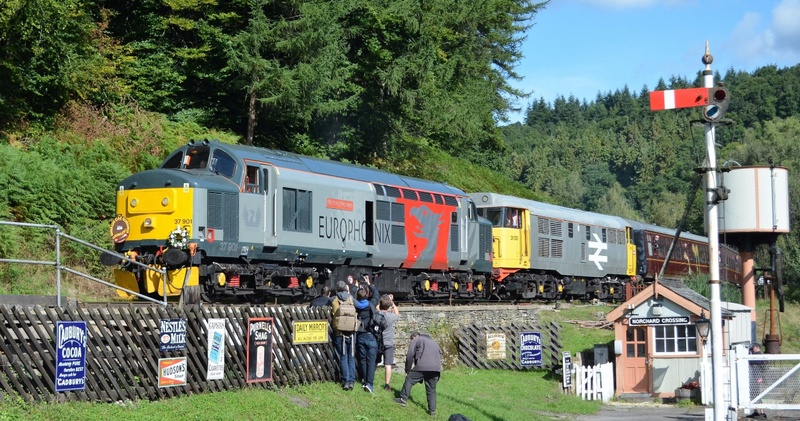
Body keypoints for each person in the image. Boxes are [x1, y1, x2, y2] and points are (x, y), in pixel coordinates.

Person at [394, 332, 442, 417]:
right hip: (436, 369)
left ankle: (403, 399)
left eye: (411, 339)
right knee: (431, 389)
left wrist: (408, 370)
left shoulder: (416, 339)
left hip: (423, 366)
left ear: (414, 336)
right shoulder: (434, 343)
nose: (411, 341)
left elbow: (410, 354)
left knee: (409, 379)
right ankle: (432, 411)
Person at [354, 276, 380, 393]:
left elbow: (351, 295)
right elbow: (376, 295)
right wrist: (370, 284)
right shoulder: (371, 304)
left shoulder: (355, 305)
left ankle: (364, 380)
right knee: (371, 360)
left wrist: (355, 287)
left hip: (360, 334)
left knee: (363, 360)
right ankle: (369, 383)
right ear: (366, 296)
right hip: (370, 334)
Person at [331, 281, 356, 390]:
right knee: (351, 357)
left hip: (340, 333)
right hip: (351, 332)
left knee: (343, 357)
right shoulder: (351, 299)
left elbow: (334, 312)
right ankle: (352, 380)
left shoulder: (334, 300)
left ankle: (346, 381)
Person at [378, 294, 400, 391]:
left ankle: (369, 380)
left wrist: (381, 302)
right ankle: (387, 384)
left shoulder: (378, 314)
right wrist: (392, 302)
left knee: (374, 362)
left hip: (379, 342)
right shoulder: (391, 316)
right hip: (389, 343)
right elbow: (397, 313)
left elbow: (377, 307)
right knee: (388, 364)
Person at [747, 343, 767, 419]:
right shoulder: (756, 355)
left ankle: (761, 412)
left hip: (757, 378)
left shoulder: (758, 355)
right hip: (755, 378)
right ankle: (757, 411)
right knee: (754, 395)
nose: (752, 348)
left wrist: (749, 354)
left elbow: (753, 362)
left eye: (753, 347)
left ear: (757, 347)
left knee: (757, 395)